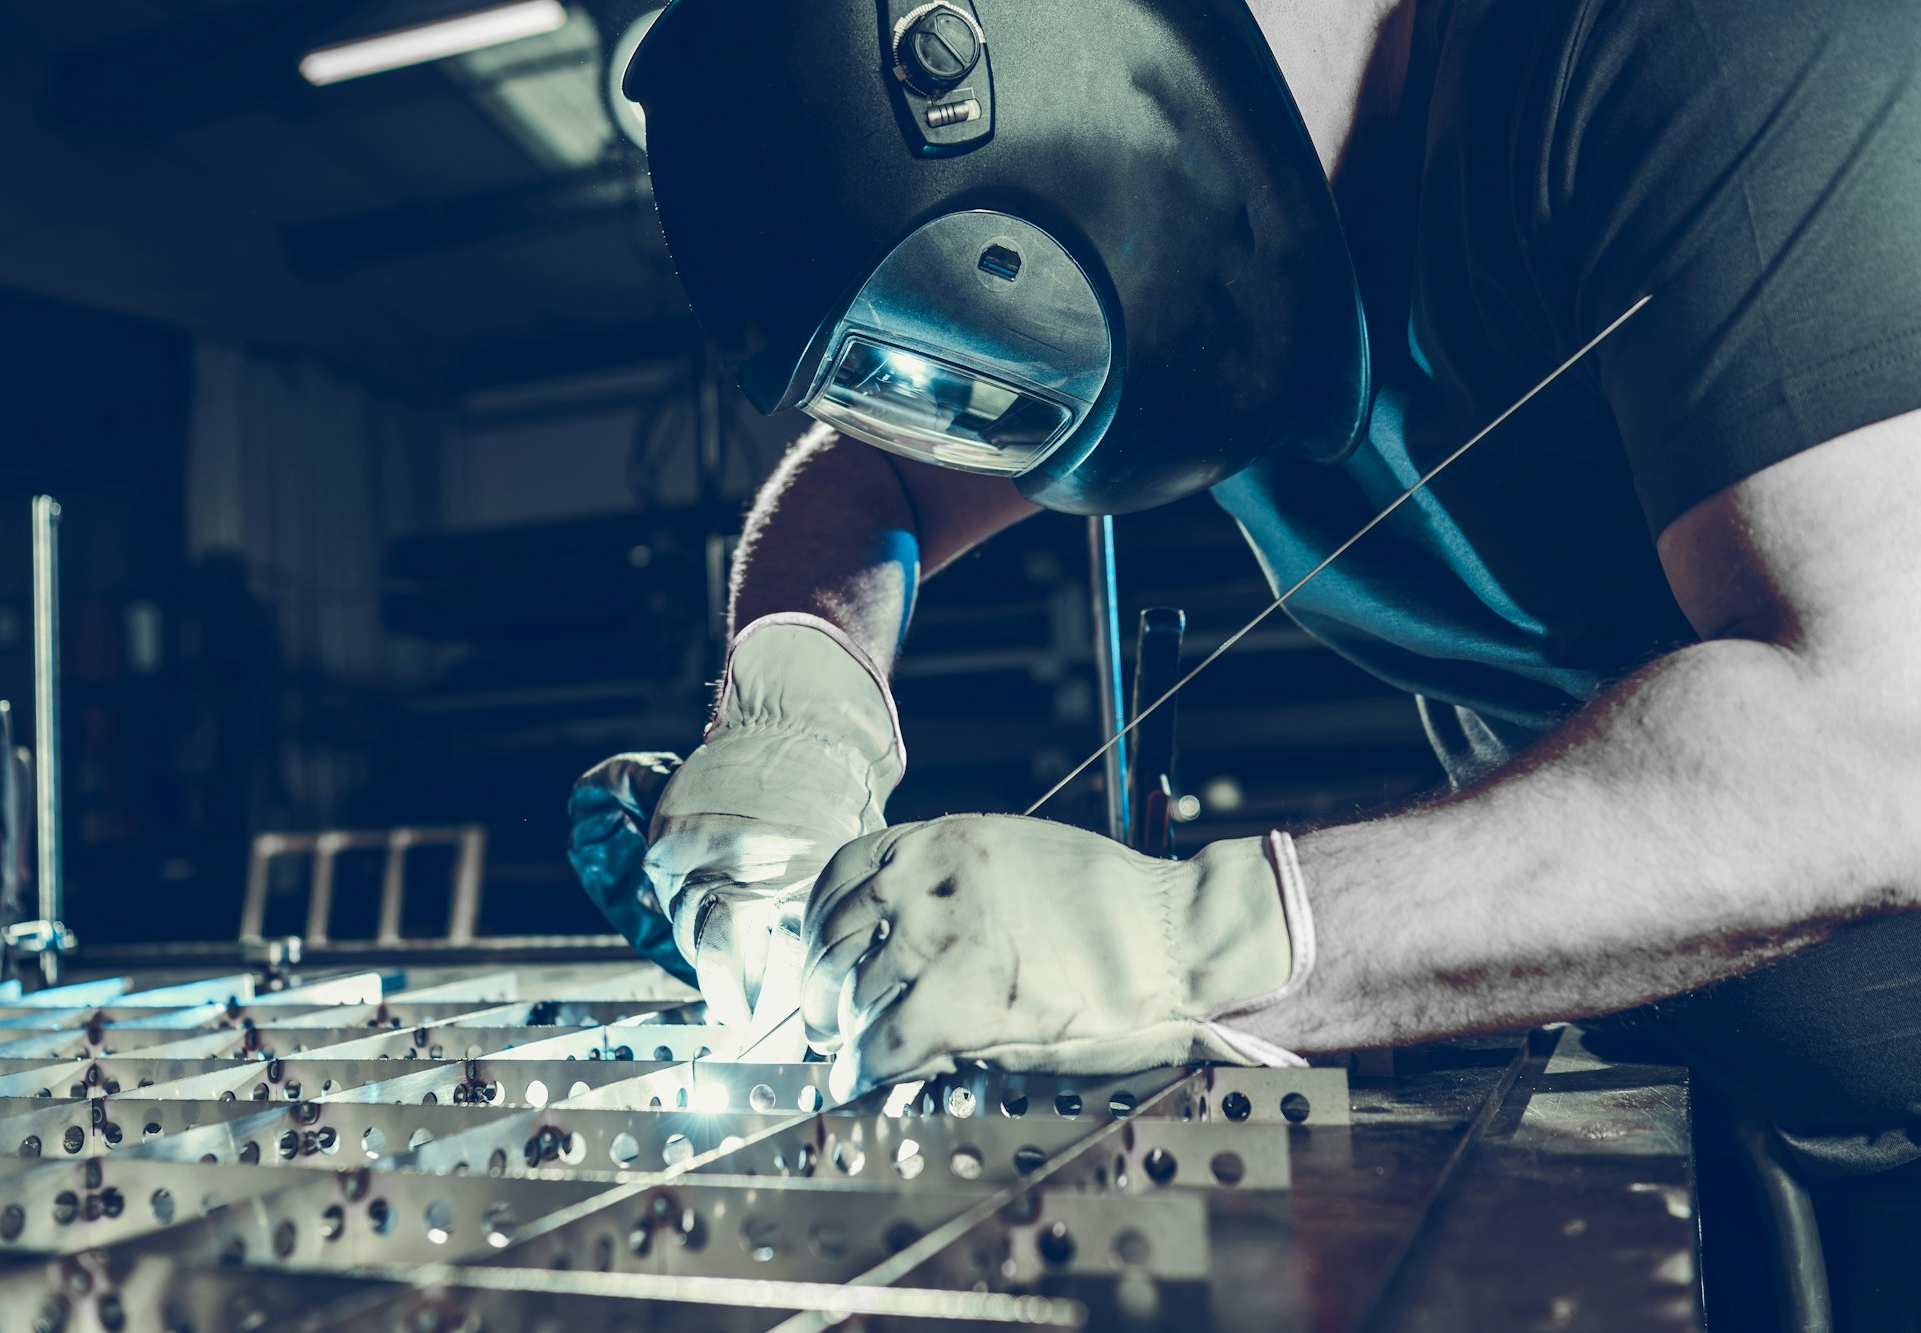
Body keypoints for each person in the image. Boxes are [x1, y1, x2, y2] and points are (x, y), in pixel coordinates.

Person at [573, 0, 1921, 1324]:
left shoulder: (1678, 47)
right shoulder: (1220, 247)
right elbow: (871, 480)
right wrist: (795, 712)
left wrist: (1195, 940)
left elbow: (1876, 737)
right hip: (1696, 1105)